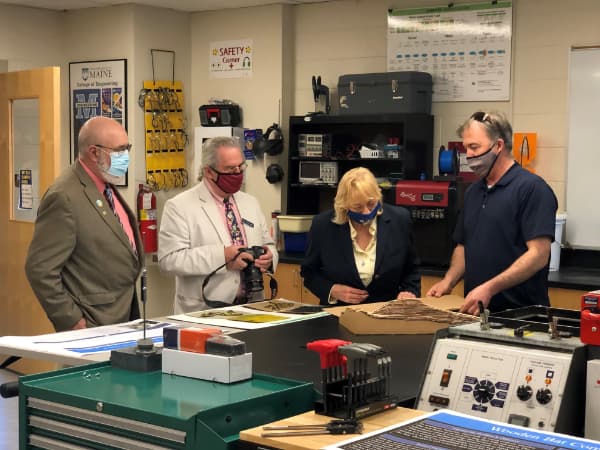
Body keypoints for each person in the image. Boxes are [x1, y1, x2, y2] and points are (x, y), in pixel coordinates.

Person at [427, 111, 558, 314]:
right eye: (466, 148)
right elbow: (463, 246)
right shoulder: (473, 192)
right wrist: (448, 281)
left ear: (498, 146)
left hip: (523, 316)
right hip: (476, 314)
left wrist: (490, 288)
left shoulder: (532, 189)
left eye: (474, 147)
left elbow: (539, 254)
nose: (468, 155)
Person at [25, 116, 143, 332]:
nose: (125, 156)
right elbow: (40, 269)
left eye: (127, 148)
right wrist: (70, 320)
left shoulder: (103, 184)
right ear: (94, 152)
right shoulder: (64, 196)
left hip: (122, 312)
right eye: (118, 150)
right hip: (91, 320)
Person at [158, 136, 277, 313]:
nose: (237, 173)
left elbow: (268, 244)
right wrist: (222, 258)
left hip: (252, 307)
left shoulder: (251, 203)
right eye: (230, 169)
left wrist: (269, 257)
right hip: (204, 309)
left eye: (240, 167)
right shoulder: (179, 206)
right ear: (209, 172)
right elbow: (169, 260)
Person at [301, 167, 420, 306]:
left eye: (371, 204)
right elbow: (309, 273)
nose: (366, 213)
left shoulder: (400, 220)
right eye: (358, 207)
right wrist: (332, 290)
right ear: (344, 205)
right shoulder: (322, 226)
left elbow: (412, 269)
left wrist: (409, 292)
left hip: (388, 313)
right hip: (339, 314)